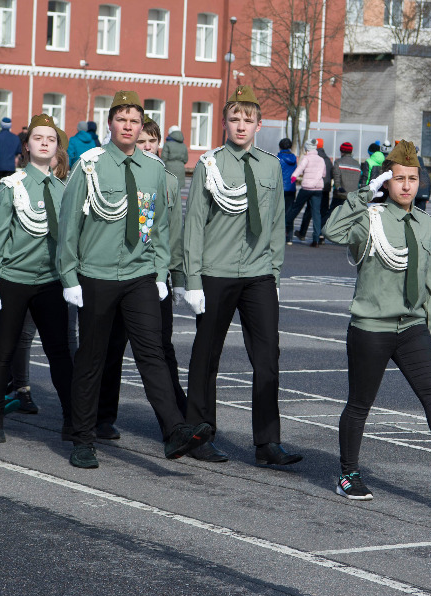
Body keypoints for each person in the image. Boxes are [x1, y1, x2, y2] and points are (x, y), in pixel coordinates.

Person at [324, 140, 431, 501]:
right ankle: (348, 474)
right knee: (360, 403)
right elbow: (332, 232)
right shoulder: (369, 218)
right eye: (398, 178)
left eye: (412, 179)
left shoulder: (425, 224)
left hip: (412, 327)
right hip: (371, 327)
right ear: (386, 181)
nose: (406, 186)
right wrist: (361, 195)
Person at [58, 91, 207, 469]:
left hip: (140, 275)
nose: (128, 126)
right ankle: (83, 438)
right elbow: (70, 224)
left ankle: (174, 429)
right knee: (92, 359)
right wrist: (69, 276)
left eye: (134, 120)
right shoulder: (89, 165)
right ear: (110, 123)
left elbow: (158, 228)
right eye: (121, 119)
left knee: (152, 353)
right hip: (96, 275)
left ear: (142, 126)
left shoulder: (154, 169)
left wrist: (160, 274)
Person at [182, 84, 299, 467]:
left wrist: (275, 274)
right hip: (215, 272)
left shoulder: (269, 165)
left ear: (260, 125)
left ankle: (268, 443)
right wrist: (193, 279)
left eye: (248, 120)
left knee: (267, 359)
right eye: (234, 119)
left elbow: (277, 222)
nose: (241, 126)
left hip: (258, 274)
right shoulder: (209, 164)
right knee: (206, 356)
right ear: (224, 123)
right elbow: (195, 224)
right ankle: (200, 434)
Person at [0, 114, 76, 443]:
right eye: (38, 138)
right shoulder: (12, 187)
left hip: (51, 281)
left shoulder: (66, 190)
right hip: (14, 280)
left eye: (51, 138)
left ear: (57, 148)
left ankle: (71, 417)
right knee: (3, 350)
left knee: (60, 351)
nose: (45, 142)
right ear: (27, 145)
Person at [95, 118, 188, 444]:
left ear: (158, 144)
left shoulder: (167, 180)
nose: (147, 147)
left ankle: (178, 422)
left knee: (160, 351)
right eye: (142, 142)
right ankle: (103, 417)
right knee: (111, 349)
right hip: (117, 274)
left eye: (151, 142)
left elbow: (173, 234)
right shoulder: (114, 171)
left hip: (153, 277)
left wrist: (176, 277)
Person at [288, 140, 326, 246]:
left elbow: (300, 168)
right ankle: (316, 239)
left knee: (296, 208)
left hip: (307, 187)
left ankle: (286, 227)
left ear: (307, 149)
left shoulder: (307, 158)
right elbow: (324, 173)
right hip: (318, 188)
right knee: (316, 213)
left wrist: (293, 177)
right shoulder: (321, 159)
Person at [0, 116, 21, 184]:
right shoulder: (16, 138)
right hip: (10, 168)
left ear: (1, 125)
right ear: (10, 126)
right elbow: (18, 153)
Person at [161, 124, 189, 197]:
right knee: (177, 194)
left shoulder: (167, 144)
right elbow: (186, 159)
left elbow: (163, 158)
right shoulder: (183, 145)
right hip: (181, 169)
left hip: (169, 169)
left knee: (168, 192)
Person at [333, 141, 360, 213]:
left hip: (340, 195)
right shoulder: (357, 164)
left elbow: (336, 178)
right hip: (353, 196)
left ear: (342, 151)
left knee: (333, 215)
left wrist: (338, 188)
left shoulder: (338, 162)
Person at [277, 138, 297, 223]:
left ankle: (278, 233)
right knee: (289, 212)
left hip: (279, 188)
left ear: (280, 147)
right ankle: (289, 233)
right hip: (291, 187)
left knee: (277, 212)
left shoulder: (278, 158)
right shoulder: (294, 159)